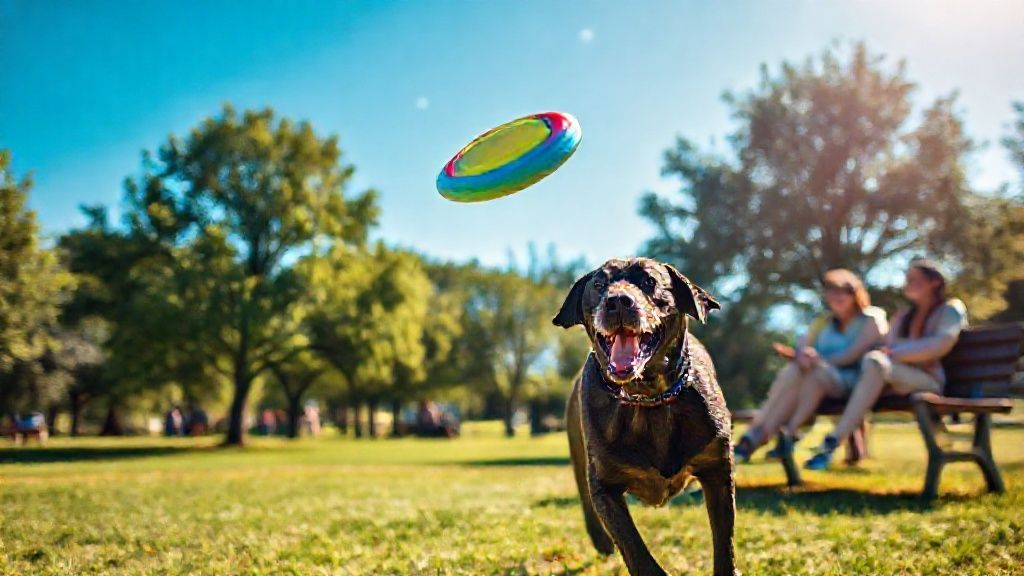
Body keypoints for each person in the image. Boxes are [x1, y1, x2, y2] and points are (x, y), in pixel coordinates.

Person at [804, 258, 967, 470]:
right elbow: (886, 346)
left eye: (912, 279)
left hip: (928, 382)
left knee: (874, 361)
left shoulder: (949, 310)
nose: (906, 284)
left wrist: (896, 352)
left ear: (934, 282)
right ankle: (830, 441)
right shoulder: (904, 316)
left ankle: (833, 440)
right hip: (893, 381)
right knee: (870, 363)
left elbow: (940, 344)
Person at [734, 269, 887, 462]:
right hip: (815, 380)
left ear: (855, 292)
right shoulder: (823, 322)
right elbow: (802, 347)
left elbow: (852, 355)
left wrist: (817, 360)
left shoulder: (871, 318)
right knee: (794, 370)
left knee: (809, 373)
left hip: (853, 383)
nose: (837, 297)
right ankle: (761, 435)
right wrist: (803, 356)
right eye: (831, 292)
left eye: (843, 291)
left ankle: (765, 435)